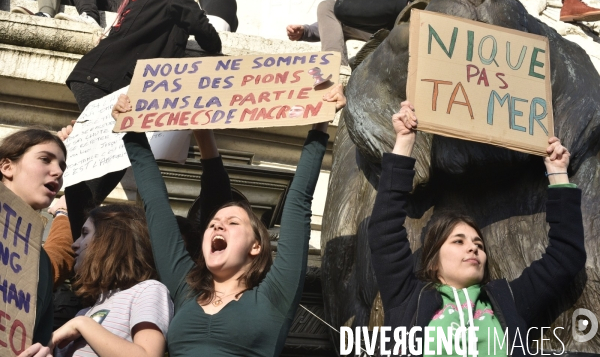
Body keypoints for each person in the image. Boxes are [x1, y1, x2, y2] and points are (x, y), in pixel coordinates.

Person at [113, 84, 345, 356]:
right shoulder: (184, 289)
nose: (216, 225)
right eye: (213, 223)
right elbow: (155, 205)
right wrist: (130, 126)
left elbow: (298, 203)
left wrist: (320, 123)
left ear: (256, 246)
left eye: (233, 222)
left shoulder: (274, 296)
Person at [367, 101, 586, 354]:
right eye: (458, 241)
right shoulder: (408, 300)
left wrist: (558, 172)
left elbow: (566, 255)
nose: (473, 248)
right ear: (433, 263)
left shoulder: (509, 302)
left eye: (478, 245)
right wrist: (404, 142)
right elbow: (384, 230)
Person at [62, 0, 221, 242]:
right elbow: (209, 37)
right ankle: (73, 228)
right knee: (110, 160)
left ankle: (75, 225)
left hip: (95, 78)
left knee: (108, 161)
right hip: (108, 83)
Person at [19, 204, 174, 357]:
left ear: (112, 240)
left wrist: (81, 324)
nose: (74, 244)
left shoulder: (148, 290)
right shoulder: (86, 311)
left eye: (85, 233)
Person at [0, 128, 67, 346]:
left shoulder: (42, 262)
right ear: (7, 167)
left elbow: (38, 335)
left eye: (62, 166)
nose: (57, 171)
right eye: (45, 159)